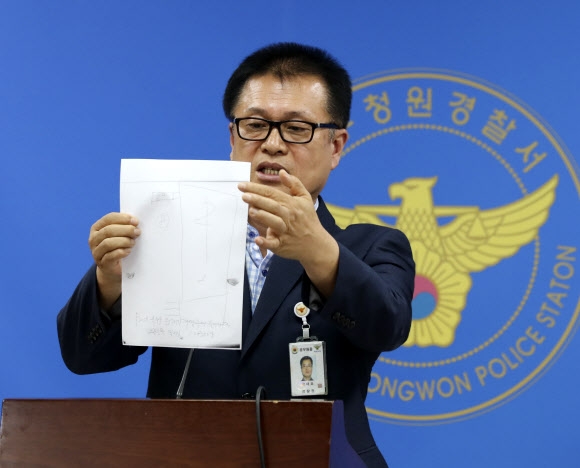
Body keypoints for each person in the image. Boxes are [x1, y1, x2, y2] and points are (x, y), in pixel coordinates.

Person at [57, 42, 415, 467]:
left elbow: (387, 327)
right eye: (256, 125)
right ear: (232, 137)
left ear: (336, 146)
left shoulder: (371, 246)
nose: (273, 145)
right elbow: (83, 357)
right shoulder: (171, 235)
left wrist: (316, 249)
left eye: (296, 128)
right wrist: (109, 282)